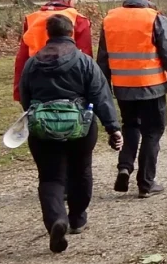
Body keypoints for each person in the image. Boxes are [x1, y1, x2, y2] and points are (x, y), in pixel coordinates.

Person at [19, 14, 123, 253]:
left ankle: (57, 219)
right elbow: (101, 96)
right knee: (81, 170)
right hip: (81, 129)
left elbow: (25, 97)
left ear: (48, 34)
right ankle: (76, 218)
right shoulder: (84, 62)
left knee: (50, 178)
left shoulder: (33, 63)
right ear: (71, 33)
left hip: (43, 131)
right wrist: (113, 128)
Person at [99, 0, 167, 199]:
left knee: (130, 126)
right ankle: (146, 183)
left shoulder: (110, 18)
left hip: (122, 86)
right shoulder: (154, 17)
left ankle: (124, 166)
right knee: (152, 132)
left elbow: (103, 57)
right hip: (151, 85)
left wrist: (102, 87)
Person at [14, 0, 93, 103]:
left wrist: (19, 89)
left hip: (36, 76)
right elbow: (86, 54)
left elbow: (23, 56)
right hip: (69, 78)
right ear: (70, 1)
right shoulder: (78, 19)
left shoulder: (32, 18)